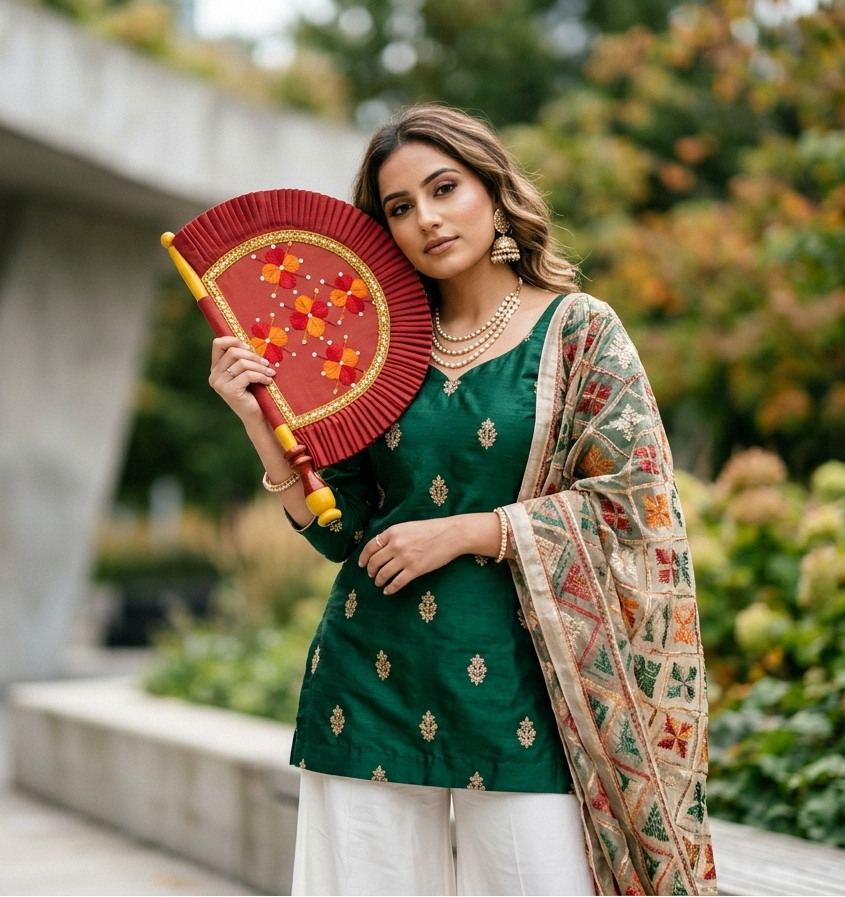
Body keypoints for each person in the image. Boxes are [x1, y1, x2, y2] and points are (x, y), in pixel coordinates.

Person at [208, 105, 716, 897]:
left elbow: (636, 504)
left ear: (494, 189)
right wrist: (260, 424)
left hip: (528, 689)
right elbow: (336, 524)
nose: (427, 219)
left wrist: (473, 530)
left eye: (445, 188)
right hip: (370, 682)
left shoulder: (579, 333)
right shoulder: (376, 342)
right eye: (400, 208)